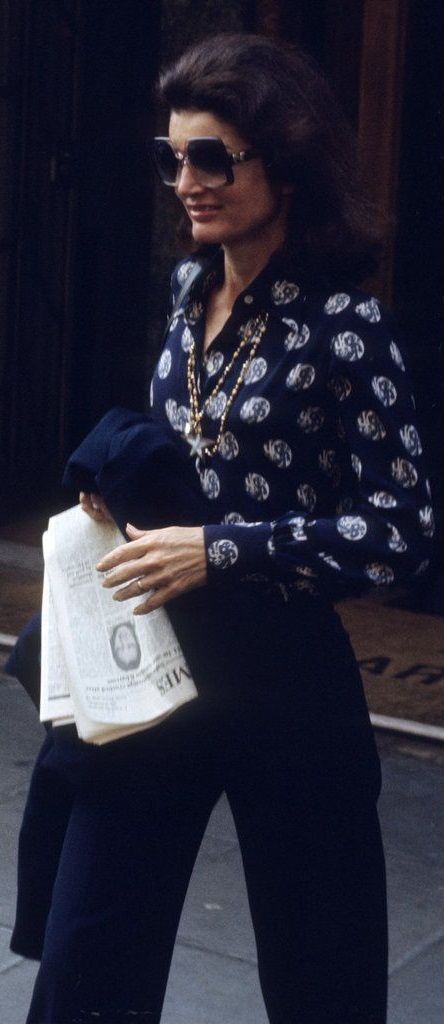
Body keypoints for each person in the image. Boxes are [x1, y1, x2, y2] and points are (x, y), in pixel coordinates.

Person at [20, 33, 433, 1024]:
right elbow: (192, 444)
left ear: (285, 163)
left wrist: (218, 548)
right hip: (162, 668)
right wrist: (125, 499)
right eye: (172, 157)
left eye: (212, 157)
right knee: (87, 955)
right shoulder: (190, 289)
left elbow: (401, 530)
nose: (186, 183)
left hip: (288, 679)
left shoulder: (346, 327)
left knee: (322, 973)